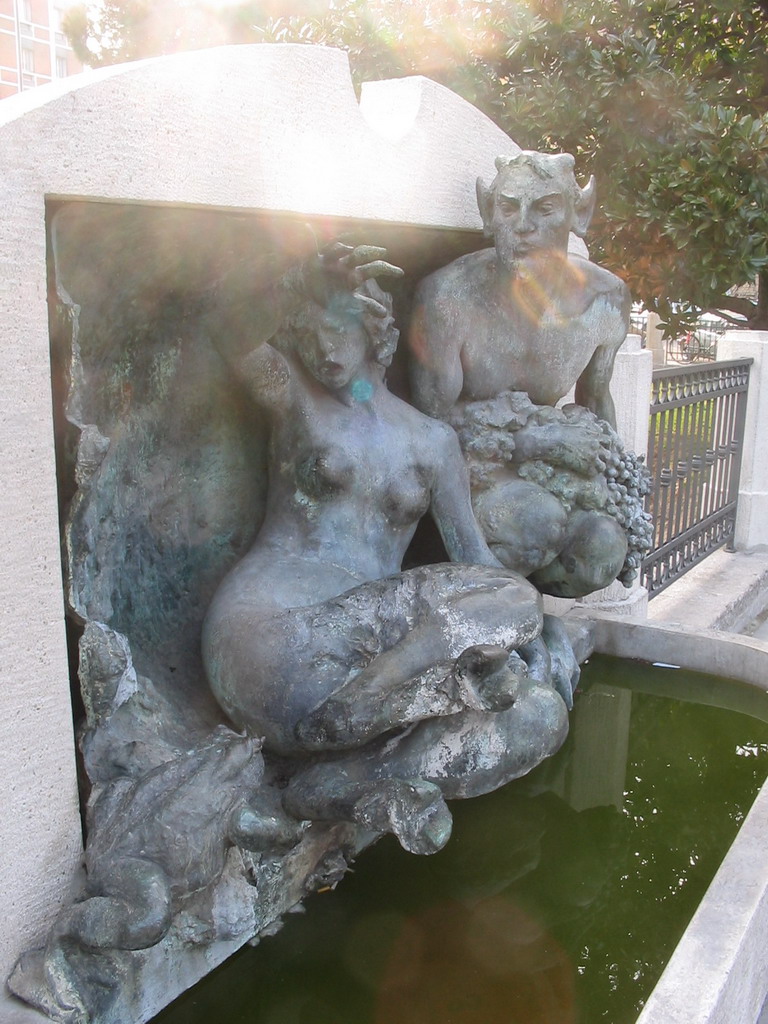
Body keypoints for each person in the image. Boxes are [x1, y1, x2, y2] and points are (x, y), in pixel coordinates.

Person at [202, 246, 572, 856]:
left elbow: (473, 558)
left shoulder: (433, 442)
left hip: (366, 651)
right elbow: (227, 335)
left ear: (376, 332)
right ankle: (391, 694)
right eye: (310, 332)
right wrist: (295, 276)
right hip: (267, 642)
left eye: (338, 329)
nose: (323, 349)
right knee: (513, 604)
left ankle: (334, 783)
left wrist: (541, 642)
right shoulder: (294, 398)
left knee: (539, 716)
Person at [408, 152, 644, 597]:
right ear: (487, 214)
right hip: (469, 473)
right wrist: (529, 441)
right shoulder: (447, 297)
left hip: (549, 469)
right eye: (508, 207)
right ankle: (493, 630)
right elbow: (429, 428)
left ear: (580, 213)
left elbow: (596, 399)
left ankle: (525, 618)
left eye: (544, 208)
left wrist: (620, 492)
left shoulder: (607, 299)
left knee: (602, 552)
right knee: (535, 524)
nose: (522, 225)